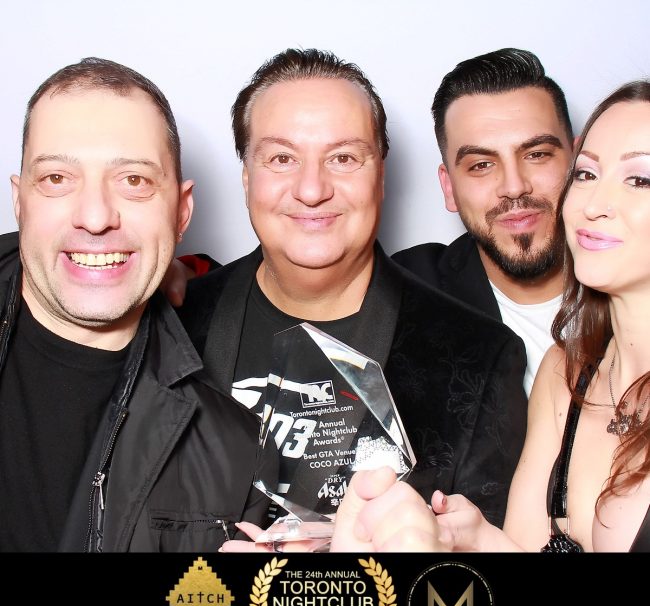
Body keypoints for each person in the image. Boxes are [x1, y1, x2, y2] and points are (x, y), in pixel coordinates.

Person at [180, 48, 528, 529]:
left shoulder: (478, 358)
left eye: (343, 158)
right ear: (247, 177)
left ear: (380, 177)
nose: (311, 189)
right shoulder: (171, 326)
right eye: (281, 158)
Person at [340, 81, 650, 553]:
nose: (593, 205)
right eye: (588, 175)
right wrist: (477, 539)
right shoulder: (563, 373)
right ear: (448, 185)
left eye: (640, 180)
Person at [0, 57, 266, 552]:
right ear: (20, 201)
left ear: (181, 212)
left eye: (134, 181)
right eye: (57, 178)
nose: (95, 217)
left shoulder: (235, 452)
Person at [393, 48, 574, 395]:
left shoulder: (636, 281)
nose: (514, 186)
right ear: (449, 187)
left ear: (579, 164)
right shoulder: (403, 293)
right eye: (481, 165)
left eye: (536, 155)